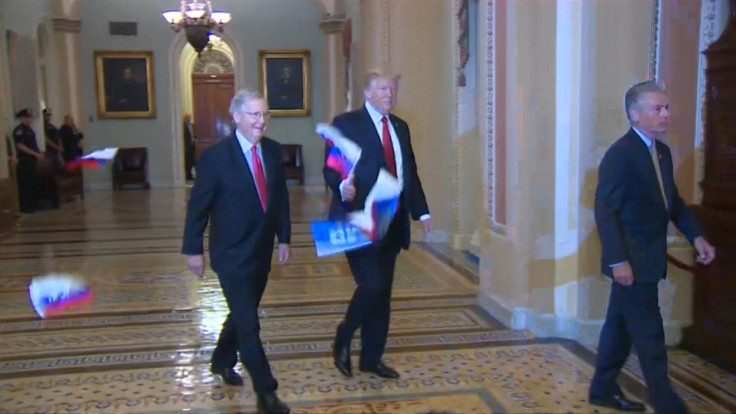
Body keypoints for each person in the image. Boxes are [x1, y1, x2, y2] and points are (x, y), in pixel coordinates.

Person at [590, 80, 716, 413]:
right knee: (650, 335)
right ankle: (667, 403)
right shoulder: (621, 154)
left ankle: (602, 389)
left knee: (619, 327)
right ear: (634, 114)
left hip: (648, 257)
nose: (666, 114)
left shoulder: (660, 152)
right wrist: (618, 262)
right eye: (657, 108)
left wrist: (697, 236)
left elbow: (671, 201)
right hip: (631, 261)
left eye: (666, 107)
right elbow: (605, 211)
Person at [181, 88, 291, 414]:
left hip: (261, 250)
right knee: (249, 322)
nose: (262, 121)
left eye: (266, 114)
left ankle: (221, 360)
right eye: (255, 114)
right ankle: (266, 393)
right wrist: (193, 250)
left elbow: (280, 200)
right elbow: (197, 208)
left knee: (242, 314)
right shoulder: (215, 157)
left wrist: (284, 238)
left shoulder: (272, 151)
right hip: (229, 254)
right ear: (237, 117)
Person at [324, 69, 432, 379]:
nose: (390, 95)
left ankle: (371, 358)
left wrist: (422, 212)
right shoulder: (346, 123)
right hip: (357, 216)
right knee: (371, 285)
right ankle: (344, 335)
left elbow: (408, 170)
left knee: (383, 293)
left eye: (394, 90)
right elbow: (333, 164)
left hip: (393, 219)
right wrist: (341, 184)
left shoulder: (400, 127)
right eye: (384, 89)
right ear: (368, 93)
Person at [12, 108, 43, 213]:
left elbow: (33, 144)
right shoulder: (19, 130)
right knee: (25, 184)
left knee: (32, 183)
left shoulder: (30, 130)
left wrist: (39, 153)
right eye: (28, 117)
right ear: (22, 118)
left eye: (30, 117)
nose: (30, 120)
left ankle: (32, 204)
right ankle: (25, 206)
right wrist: (34, 153)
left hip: (32, 160)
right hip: (25, 160)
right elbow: (20, 146)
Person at [182, 114, 196, 181]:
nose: (190, 118)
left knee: (193, 160)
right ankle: (188, 175)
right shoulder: (183, 126)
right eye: (188, 117)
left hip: (193, 145)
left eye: (190, 117)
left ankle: (193, 175)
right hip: (187, 145)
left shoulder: (192, 125)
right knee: (188, 161)